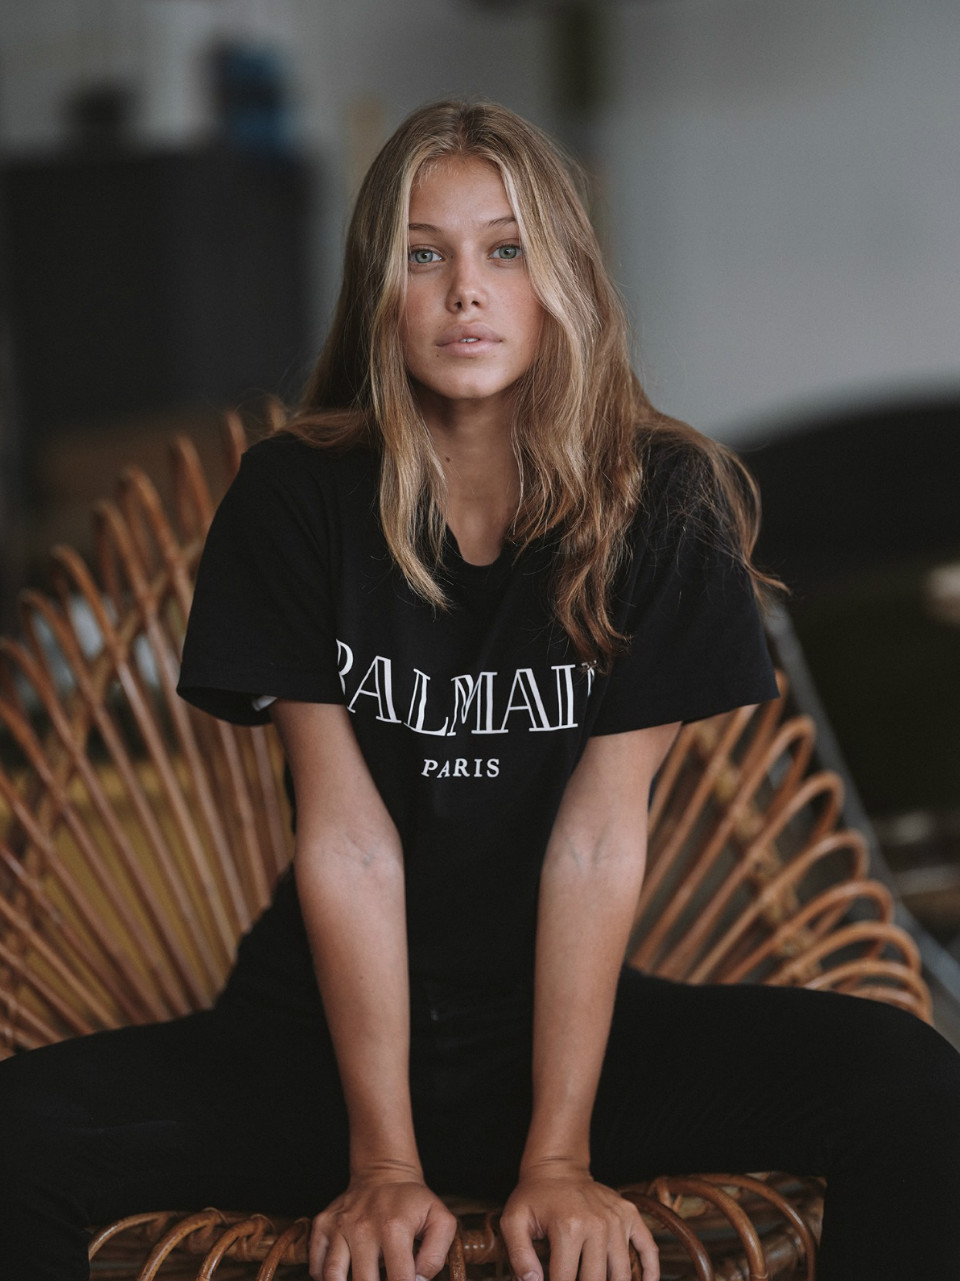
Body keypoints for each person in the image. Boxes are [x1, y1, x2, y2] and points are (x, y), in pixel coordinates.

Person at [2, 98, 960, 1281]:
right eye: (425, 255)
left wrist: (558, 1153)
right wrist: (382, 1164)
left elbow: (597, 840)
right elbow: (349, 843)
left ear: (563, 280)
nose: (466, 291)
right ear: (380, 290)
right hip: (316, 1042)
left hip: (570, 1034)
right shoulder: (296, 499)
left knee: (911, 1088)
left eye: (506, 250)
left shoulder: (661, 500)